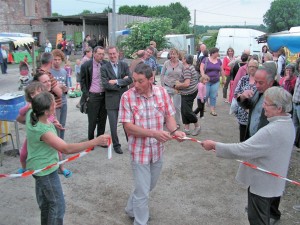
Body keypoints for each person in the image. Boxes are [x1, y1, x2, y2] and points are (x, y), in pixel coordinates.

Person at [202, 86, 294, 225]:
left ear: (279, 108)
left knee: (257, 219)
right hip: (273, 182)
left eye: (266, 104)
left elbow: (242, 149)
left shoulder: (271, 131)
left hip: (263, 184)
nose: (263, 106)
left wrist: (215, 145)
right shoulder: (288, 123)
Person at [26, 91, 110, 225]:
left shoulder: (32, 114)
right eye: (53, 103)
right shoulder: (43, 130)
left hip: (38, 167)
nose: (56, 103)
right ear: (46, 111)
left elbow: (29, 112)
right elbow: (66, 148)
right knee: (58, 206)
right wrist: (95, 141)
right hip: (45, 171)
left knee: (48, 205)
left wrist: (53, 121)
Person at [118, 63, 186, 225]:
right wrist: (154, 134)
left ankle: (130, 209)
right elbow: (128, 127)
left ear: (150, 79)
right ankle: (140, 221)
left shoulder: (162, 93)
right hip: (139, 152)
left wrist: (175, 131)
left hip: (157, 151)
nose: (136, 85)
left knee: (147, 186)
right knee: (143, 192)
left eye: (140, 81)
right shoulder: (127, 97)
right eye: (134, 81)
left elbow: (169, 116)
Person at [237, 62, 283, 224]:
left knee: (272, 180)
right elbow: (249, 105)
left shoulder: (279, 97)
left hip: (270, 148)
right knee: (256, 176)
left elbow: (282, 125)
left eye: (260, 82)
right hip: (255, 142)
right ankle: (256, 206)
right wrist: (242, 97)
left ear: (271, 81)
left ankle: (272, 214)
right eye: (255, 81)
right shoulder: (259, 90)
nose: (256, 85)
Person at [101, 46, 132, 154]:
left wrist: (115, 81)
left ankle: (131, 143)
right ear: (107, 55)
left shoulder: (124, 65)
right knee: (113, 126)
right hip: (111, 101)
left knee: (127, 124)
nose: (112, 56)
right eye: (110, 54)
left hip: (124, 99)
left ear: (118, 53)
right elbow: (105, 85)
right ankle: (116, 145)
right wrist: (121, 83)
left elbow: (130, 79)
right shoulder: (104, 68)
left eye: (114, 53)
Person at [80, 46, 108, 144]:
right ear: (94, 54)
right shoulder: (86, 65)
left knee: (102, 119)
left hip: (104, 95)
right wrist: (87, 95)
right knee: (92, 120)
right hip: (93, 96)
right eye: (99, 54)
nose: (101, 56)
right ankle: (91, 141)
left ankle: (100, 140)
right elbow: (82, 82)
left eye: (103, 54)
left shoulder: (106, 64)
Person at [174, 54, 201, 136]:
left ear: (185, 60)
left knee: (187, 111)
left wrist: (177, 86)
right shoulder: (190, 67)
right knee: (184, 110)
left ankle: (197, 126)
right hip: (189, 92)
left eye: (182, 58)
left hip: (189, 92)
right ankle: (186, 128)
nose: (181, 60)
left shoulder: (187, 69)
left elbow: (186, 84)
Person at [233, 59, 259, 142]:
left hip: (255, 113)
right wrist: (243, 96)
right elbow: (236, 93)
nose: (252, 68)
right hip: (243, 114)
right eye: (250, 66)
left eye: (254, 67)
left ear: (258, 68)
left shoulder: (260, 81)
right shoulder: (243, 79)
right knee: (243, 138)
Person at [161, 48, 184, 126]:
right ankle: (166, 120)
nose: (172, 55)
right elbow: (162, 74)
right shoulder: (166, 63)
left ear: (177, 55)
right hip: (167, 86)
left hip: (177, 88)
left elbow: (184, 75)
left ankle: (177, 122)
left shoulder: (181, 64)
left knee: (177, 106)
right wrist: (163, 85)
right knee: (166, 105)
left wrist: (181, 84)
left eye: (174, 54)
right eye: (171, 54)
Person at [200, 47, 225, 116]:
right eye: (217, 52)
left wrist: (223, 79)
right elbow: (201, 68)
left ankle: (212, 110)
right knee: (206, 95)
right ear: (213, 53)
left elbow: (222, 70)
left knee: (213, 96)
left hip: (216, 81)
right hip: (206, 81)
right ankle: (202, 106)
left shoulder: (219, 61)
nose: (218, 54)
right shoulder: (205, 59)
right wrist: (203, 75)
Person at [50, 49, 68, 140]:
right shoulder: (49, 72)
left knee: (62, 124)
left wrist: (65, 89)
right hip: (54, 102)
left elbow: (67, 86)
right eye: (55, 59)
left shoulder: (64, 71)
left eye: (59, 59)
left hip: (64, 101)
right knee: (55, 125)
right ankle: (56, 146)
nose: (57, 61)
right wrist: (57, 87)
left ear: (62, 60)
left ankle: (61, 143)